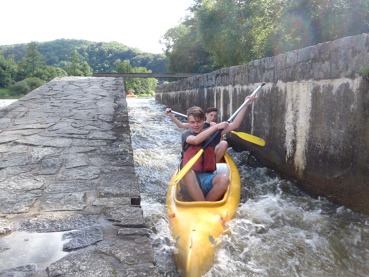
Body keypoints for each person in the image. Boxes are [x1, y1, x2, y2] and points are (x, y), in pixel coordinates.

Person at [180, 96, 255, 201]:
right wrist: (216, 127)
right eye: (192, 122)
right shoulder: (186, 135)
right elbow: (196, 140)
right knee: (187, 171)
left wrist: (245, 105)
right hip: (189, 182)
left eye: (199, 121)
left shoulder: (212, 134)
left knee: (224, 179)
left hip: (207, 178)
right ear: (189, 122)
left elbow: (235, 124)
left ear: (203, 120)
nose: (196, 125)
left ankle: (206, 206)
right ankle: (202, 204)